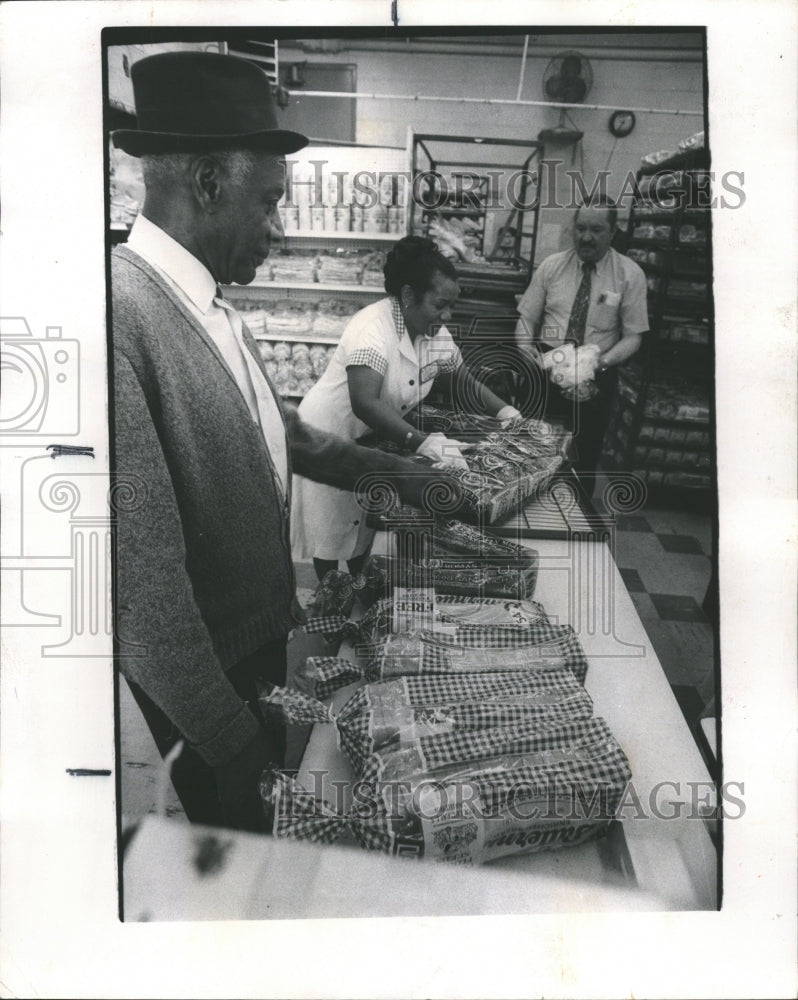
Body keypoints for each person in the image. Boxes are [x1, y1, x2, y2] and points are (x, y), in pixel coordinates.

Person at [110, 51, 457, 833]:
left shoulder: (217, 310)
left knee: (272, 831)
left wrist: (396, 472)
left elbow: (286, 437)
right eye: (268, 202)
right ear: (207, 182)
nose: (277, 228)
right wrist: (230, 748)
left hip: (257, 645)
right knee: (235, 855)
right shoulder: (121, 319)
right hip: (207, 683)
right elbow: (142, 591)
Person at [291, 236, 521, 581]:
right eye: (440, 305)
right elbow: (365, 402)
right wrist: (424, 442)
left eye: (452, 307)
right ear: (409, 295)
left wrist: (507, 414)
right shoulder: (372, 327)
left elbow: (459, 379)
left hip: (372, 439)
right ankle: (331, 603)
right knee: (332, 530)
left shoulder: (433, 332)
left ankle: (357, 591)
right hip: (333, 432)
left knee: (361, 525)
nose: (447, 316)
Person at [514, 195, 649, 474]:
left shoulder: (629, 274)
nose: (586, 237)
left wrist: (600, 364)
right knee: (529, 449)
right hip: (546, 366)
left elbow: (633, 336)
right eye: (581, 228)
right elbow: (527, 316)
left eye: (597, 230)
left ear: (613, 232)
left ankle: (577, 509)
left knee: (582, 454)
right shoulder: (551, 266)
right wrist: (523, 346)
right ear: (573, 229)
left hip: (596, 372)